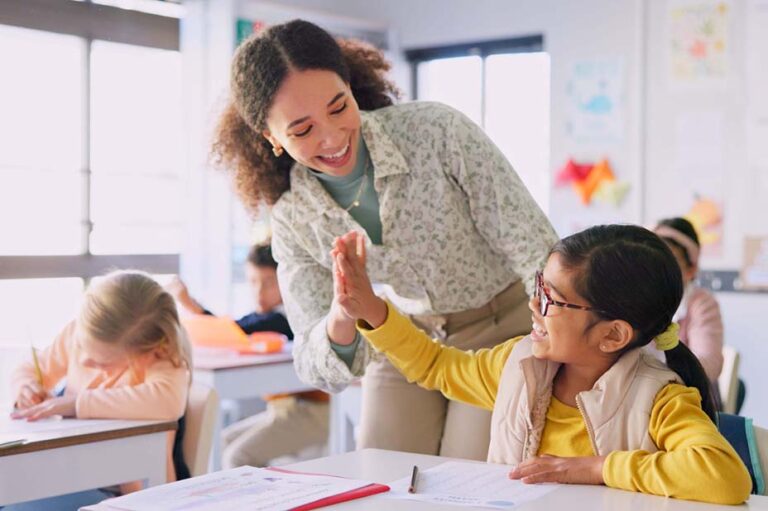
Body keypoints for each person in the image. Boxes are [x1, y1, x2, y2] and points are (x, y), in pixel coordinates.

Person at [212, 19, 558, 460]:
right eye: (302, 130)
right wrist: (343, 313)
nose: (331, 137)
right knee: (382, 471)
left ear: (351, 87)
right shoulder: (293, 217)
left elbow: (534, 247)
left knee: (467, 476)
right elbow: (314, 363)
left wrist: (555, 339)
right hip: (401, 336)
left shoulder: (436, 133)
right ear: (270, 137)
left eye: (338, 107)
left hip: (502, 331)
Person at [330, 226, 751, 505]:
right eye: (538, 286)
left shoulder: (658, 399)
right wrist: (373, 311)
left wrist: (595, 468)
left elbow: (725, 477)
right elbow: (437, 366)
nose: (534, 304)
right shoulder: (518, 366)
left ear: (612, 335)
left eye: (551, 298)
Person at [9, 271, 191, 510]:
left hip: (121, 493)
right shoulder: (78, 331)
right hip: (71, 472)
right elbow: (32, 368)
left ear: (147, 353)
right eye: (81, 346)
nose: (84, 360)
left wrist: (75, 404)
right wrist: (26, 386)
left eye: (101, 363)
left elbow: (168, 401)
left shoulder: (159, 361)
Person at [167, 242, 330, 469]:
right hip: (282, 411)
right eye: (253, 282)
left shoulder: (285, 319)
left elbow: (232, 333)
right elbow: (235, 328)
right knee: (222, 441)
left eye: (269, 282)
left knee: (237, 457)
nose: (259, 292)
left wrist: (188, 303)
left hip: (312, 413)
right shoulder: (266, 315)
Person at [654, 217, 724, 392]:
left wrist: (657, 376)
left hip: (689, 395)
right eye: (653, 260)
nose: (658, 269)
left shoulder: (701, 303)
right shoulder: (638, 297)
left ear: (690, 270)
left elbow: (709, 364)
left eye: (669, 262)